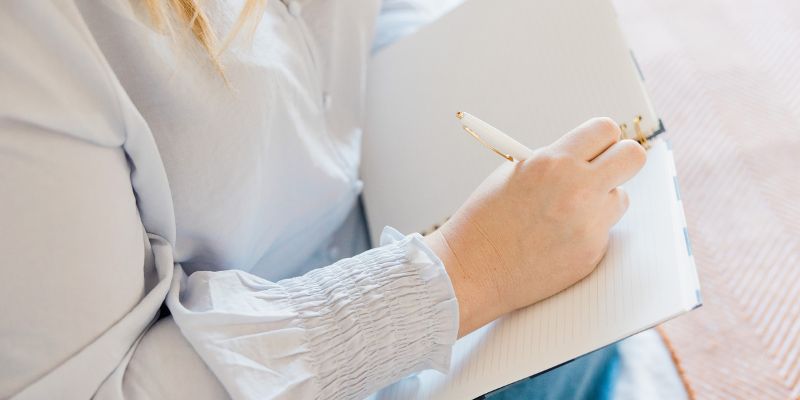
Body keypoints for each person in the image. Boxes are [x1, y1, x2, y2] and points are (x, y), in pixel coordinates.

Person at [0, 1, 646, 399]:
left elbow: (360, 26)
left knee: (619, 275)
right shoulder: (29, 38)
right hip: (308, 350)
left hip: (372, 244)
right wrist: (464, 272)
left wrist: (467, 62)